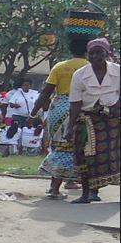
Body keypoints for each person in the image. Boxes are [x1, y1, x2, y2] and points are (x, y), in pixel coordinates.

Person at [32, 38, 90, 199]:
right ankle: (55, 187)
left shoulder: (60, 66)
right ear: (87, 51)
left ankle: (63, 183)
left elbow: (46, 92)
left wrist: (33, 113)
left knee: (57, 146)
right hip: (78, 108)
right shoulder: (89, 68)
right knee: (76, 148)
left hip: (57, 109)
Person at [65, 37, 120, 204]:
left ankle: (98, 192)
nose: (96, 56)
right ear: (87, 55)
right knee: (85, 155)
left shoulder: (118, 71)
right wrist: (70, 127)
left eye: (99, 52)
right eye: (92, 53)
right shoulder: (80, 75)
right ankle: (87, 194)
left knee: (115, 154)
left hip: (113, 120)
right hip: (87, 119)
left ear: (107, 53)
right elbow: (75, 103)